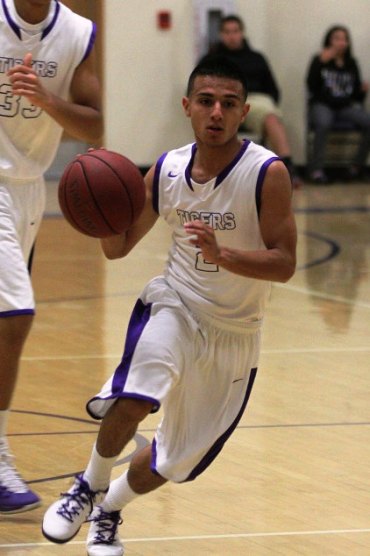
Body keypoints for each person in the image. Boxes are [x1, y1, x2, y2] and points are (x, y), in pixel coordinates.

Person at [42, 56, 297, 555]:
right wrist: (98, 211)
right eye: (206, 101)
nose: (216, 112)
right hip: (176, 304)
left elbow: (284, 263)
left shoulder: (268, 173)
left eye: (227, 103)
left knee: (177, 460)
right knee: (137, 392)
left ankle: (108, 509)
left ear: (243, 110)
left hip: (236, 332)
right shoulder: (167, 170)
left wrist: (224, 255)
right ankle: (87, 486)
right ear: (188, 107)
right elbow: (116, 248)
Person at [0, 0, 103, 514]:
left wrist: (47, 100)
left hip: (28, 190)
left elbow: (93, 126)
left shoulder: (78, 32)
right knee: (14, 313)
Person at [202, 14, 302, 189]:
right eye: (227, 32)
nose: (232, 36)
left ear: (242, 33)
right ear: (221, 35)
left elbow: (273, 89)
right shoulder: (211, 60)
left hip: (256, 101)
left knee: (271, 117)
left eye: (235, 31)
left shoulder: (257, 58)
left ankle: (287, 168)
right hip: (224, 101)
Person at [306, 25, 370, 183]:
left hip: (344, 106)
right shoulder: (320, 59)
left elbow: (355, 96)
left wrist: (363, 90)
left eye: (344, 39)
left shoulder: (351, 63)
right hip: (323, 104)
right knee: (324, 122)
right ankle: (317, 170)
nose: (341, 42)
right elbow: (311, 86)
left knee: (368, 122)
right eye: (337, 38)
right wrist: (320, 63)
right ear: (329, 41)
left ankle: (356, 167)